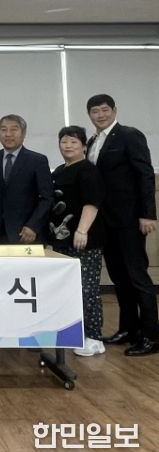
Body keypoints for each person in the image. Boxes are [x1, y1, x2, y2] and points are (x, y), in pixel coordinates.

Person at [86, 94, 158, 356]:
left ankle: (152, 335)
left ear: (114, 111)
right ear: (89, 115)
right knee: (119, 277)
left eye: (105, 110)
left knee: (137, 276)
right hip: (105, 221)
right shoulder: (92, 141)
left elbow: (145, 174)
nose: (100, 115)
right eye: (95, 111)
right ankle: (129, 329)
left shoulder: (129, 135)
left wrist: (147, 214)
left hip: (129, 219)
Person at [49, 126, 106, 357]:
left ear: (83, 146)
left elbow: (92, 203)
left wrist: (82, 230)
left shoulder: (88, 170)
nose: (68, 146)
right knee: (66, 289)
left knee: (87, 288)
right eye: (64, 141)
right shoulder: (59, 171)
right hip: (61, 240)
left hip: (84, 240)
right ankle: (73, 333)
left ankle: (95, 337)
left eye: (73, 142)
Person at [0, 114, 53, 245]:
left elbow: (47, 198)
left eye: (14, 129)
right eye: (3, 130)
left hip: (27, 234)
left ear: (23, 133)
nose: (8, 134)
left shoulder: (38, 160)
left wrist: (33, 226)